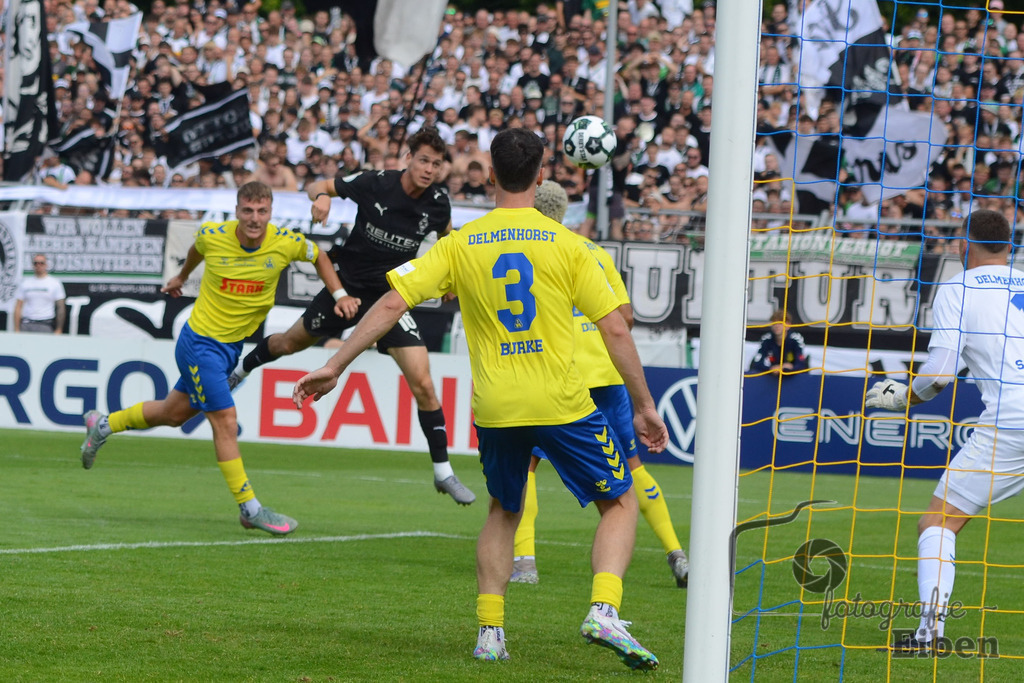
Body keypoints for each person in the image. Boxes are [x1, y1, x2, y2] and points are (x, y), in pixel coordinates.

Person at [291, 129, 669, 670]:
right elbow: (614, 327)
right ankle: (603, 610)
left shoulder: (461, 243)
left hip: (494, 407)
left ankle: (490, 633)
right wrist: (644, 405)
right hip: (561, 403)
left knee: (503, 509)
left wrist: (334, 364)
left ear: (490, 174)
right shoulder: (568, 245)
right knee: (621, 501)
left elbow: (392, 303)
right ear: (541, 175)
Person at [79, 181, 347, 535]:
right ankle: (250, 508)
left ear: (271, 212)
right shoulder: (213, 236)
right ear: (236, 211)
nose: (254, 218)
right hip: (200, 344)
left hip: (229, 349)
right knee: (225, 420)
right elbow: (197, 249)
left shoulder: (285, 242)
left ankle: (102, 425)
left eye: (261, 211)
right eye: (247, 210)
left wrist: (340, 294)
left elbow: (319, 256)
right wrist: (181, 277)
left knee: (173, 414)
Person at [227, 127, 476, 506]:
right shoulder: (376, 182)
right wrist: (323, 198)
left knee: (424, 383)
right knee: (289, 343)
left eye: (437, 164)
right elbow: (316, 186)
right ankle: (242, 369)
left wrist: (450, 278)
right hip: (346, 288)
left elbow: (446, 237)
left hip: (392, 297)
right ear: (408, 158)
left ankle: (443, 472)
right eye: (424, 160)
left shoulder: (439, 202)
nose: (429, 169)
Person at [510, 181, 690, 588]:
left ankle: (524, 561)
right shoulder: (593, 251)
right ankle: (677, 554)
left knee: (527, 464)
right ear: (564, 212)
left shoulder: (525, 251)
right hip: (606, 375)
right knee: (632, 465)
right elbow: (625, 317)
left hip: (557, 374)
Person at [864, 209, 1022, 651]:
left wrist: (902, 397)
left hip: (1013, 422)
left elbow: (938, 375)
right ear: (1009, 245)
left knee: (936, 522)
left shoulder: (958, 287)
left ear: (964, 244)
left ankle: (929, 634)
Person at [13, 254, 66, 334]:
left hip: (45, 324)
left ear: (46, 265)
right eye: (36, 263)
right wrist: (16, 328)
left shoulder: (55, 283)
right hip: (26, 324)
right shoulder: (25, 283)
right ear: (33, 265)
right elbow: (18, 306)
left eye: (41, 263)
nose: (38, 265)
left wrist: (59, 329)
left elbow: (61, 308)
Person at [748, 308, 809, 376]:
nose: (777, 326)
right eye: (774, 323)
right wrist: (771, 369)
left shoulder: (795, 339)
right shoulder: (766, 339)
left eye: (780, 323)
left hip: (793, 377)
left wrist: (787, 368)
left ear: (788, 325)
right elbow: (757, 363)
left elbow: (802, 364)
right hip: (771, 378)